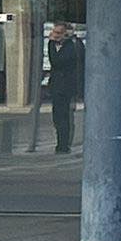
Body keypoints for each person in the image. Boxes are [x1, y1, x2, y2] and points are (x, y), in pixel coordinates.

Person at [45, 23, 84, 154]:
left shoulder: (72, 46)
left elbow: (56, 61)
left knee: (62, 117)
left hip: (65, 86)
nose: (54, 35)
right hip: (59, 86)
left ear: (65, 34)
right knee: (59, 116)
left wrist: (51, 44)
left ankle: (63, 144)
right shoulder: (69, 45)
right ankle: (61, 143)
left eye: (57, 33)